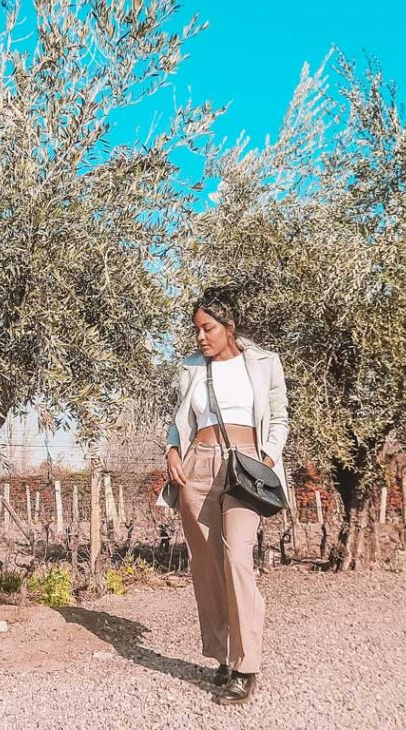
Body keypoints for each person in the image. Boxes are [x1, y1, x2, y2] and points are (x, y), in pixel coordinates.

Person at [163, 287, 290, 705]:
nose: (200, 337)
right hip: (197, 466)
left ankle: (247, 665)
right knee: (207, 566)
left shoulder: (264, 363)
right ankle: (221, 657)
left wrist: (268, 457)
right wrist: (171, 450)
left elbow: (280, 418)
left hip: (247, 466)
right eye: (196, 329)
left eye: (208, 328)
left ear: (229, 326)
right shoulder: (190, 367)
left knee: (237, 557)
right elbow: (178, 420)